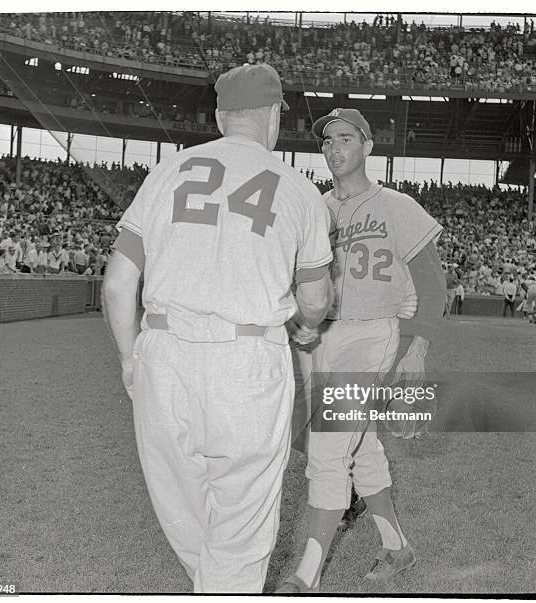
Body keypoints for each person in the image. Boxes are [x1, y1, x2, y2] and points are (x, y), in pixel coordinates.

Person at [102, 63, 333, 593]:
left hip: (164, 354)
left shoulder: (167, 171)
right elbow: (315, 299)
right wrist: (306, 326)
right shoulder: (299, 190)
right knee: (242, 525)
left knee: (187, 514)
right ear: (275, 115)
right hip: (248, 361)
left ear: (220, 116)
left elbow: (118, 284)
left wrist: (129, 359)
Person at [277, 108, 446, 593]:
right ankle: (398, 549)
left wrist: (417, 353)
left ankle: (304, 578)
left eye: (345, 138)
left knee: (329, 450)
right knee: (362, 449)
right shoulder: (317, 209)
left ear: (367, 146)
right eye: (327, 140)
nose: (333, 148)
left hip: (372, 335)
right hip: (324, 338)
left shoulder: (396, 205)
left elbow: (435, 288)